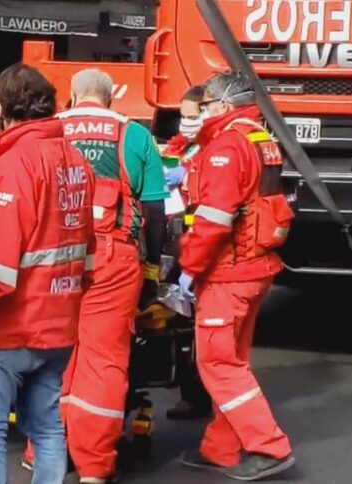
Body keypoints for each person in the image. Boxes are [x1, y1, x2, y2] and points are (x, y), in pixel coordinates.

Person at [0, 63, 96, 484]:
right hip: (59, 322)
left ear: (1, 106)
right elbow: (87, 249)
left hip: (11, 327)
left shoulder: (15, 165)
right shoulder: (76, 163)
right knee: (47, 427)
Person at [178, 71, 295, 481]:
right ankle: (222, 448)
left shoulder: (228, 145)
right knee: (233, 360)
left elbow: (212, 219)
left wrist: (188, 269)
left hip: (229, 270)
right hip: (257, 266)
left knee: (217, 364)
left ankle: (269, 446)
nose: (201, 113)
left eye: (206, 105)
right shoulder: (261, 139)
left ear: (224, 106)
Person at [55, 68, 168, 483]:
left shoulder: (51, 129)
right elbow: (156, 214)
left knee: (54, 356)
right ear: (110, 99)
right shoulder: (134, 135)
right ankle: (94, 466)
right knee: (103, 361)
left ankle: (47, 451)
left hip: (54, 258)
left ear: (72, 96)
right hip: (111, 259)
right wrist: (152, 271)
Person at [161, 85, 214, 421]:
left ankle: (200, 394)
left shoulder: (213, 150)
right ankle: (190, 392)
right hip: (179, 237)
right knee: (179, 319)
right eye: (183, 116)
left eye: (193, 116)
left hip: (200, 243)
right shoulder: (182, 147)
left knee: (200, 325)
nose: (186, 122)